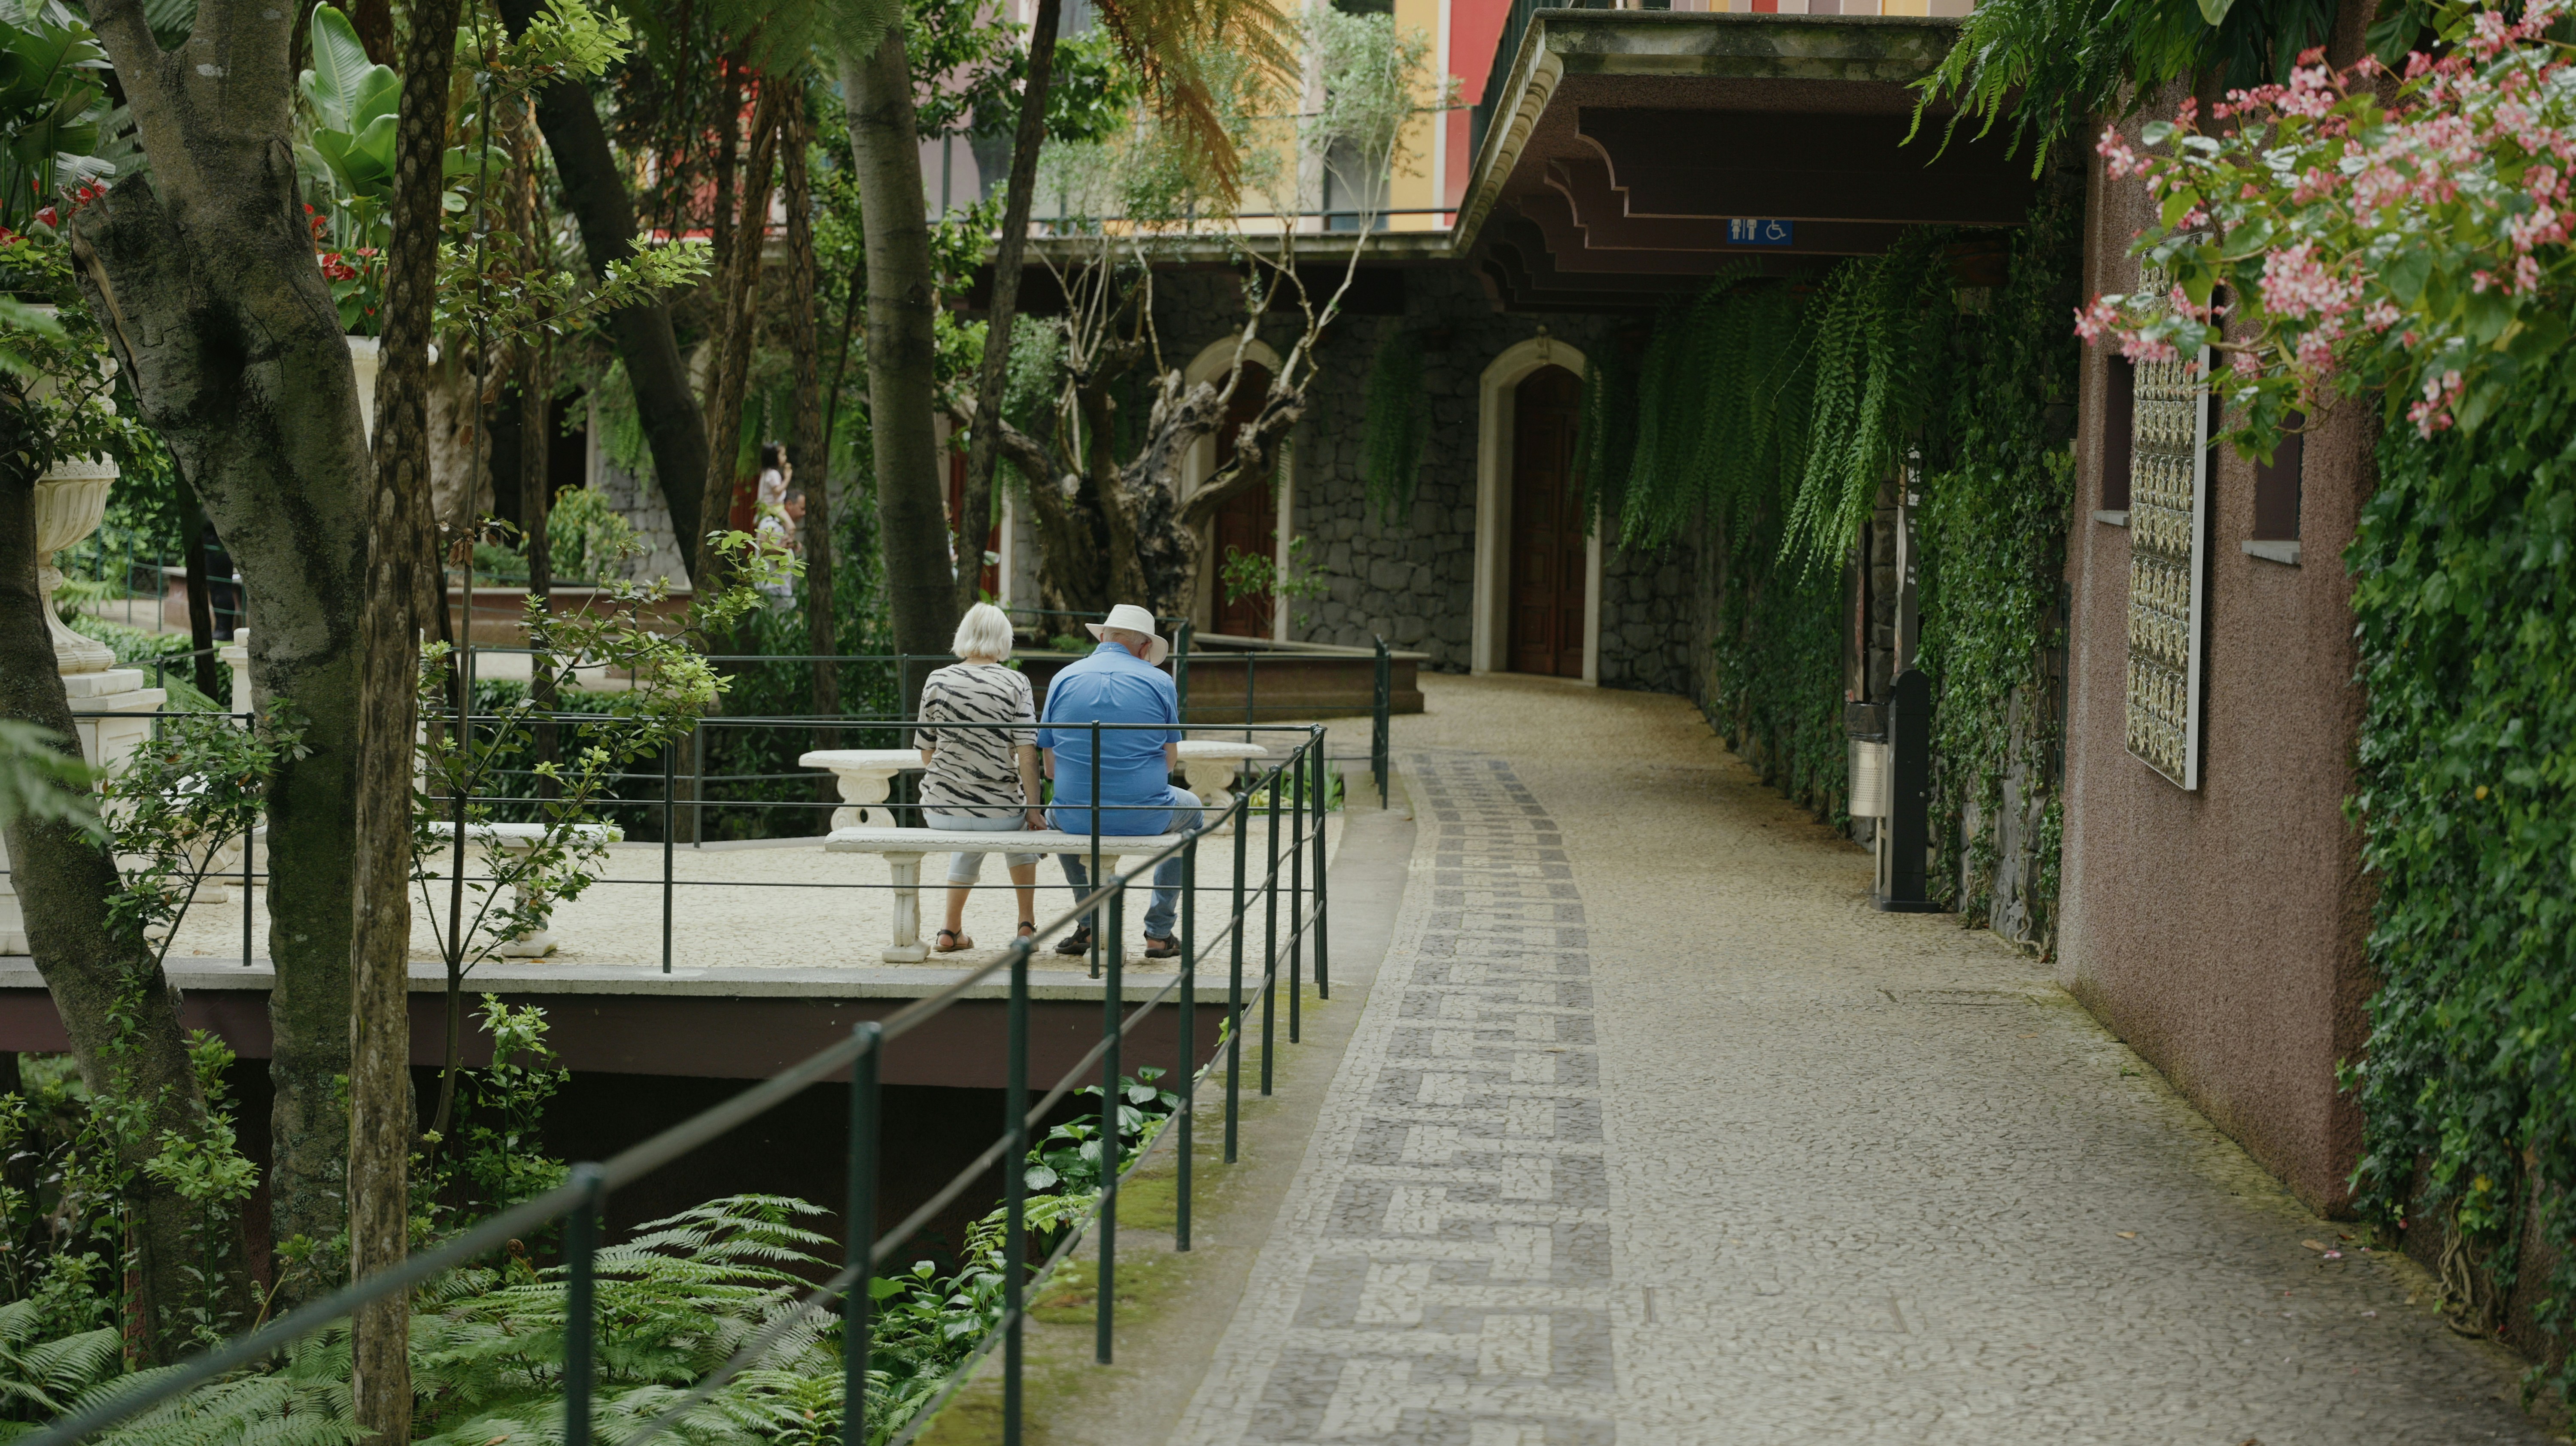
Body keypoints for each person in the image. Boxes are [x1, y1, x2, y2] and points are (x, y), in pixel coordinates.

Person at [1038, 603, 1200, 959]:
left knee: (1055, 813)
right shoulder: (1160, 681)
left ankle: (1090, 922)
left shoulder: (1063, 678)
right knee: (1196, 811)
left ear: (1105, 638)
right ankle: (1159, 932)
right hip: (1144, 813)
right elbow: (1170, 761)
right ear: (1145, 648)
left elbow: (1050, 769)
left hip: (1075, 815)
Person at [918, 603, 1045, 951]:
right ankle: (1026, 928)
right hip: (1000, 813)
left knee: (973, 821)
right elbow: (1027, 754)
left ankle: (950, 930)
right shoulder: (1016, 682)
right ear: (1004, 639)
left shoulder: (937, 679)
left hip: (941, 812)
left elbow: (926, 752)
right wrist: (1034, 809)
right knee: (1017, 824)